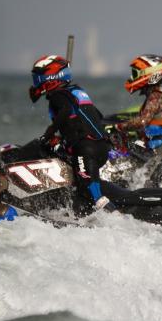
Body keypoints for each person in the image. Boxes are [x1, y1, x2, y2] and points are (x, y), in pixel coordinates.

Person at [29, 55, 115, 211]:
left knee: (93, 194)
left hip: (85, 150)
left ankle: (120, 222)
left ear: (50, 77)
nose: (36, 84)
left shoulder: (57, 96)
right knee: (83, 190)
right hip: (102, 147)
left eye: (38, 78)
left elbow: (65, 112)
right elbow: (98, 116)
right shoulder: (77, 92)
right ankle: (83, 217)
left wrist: (48, 134)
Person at [115, 54, 162, 186]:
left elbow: (143, 121)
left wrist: (119, 127)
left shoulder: (155, 97)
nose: (133, 77)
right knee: (137, 179)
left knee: (149, 185)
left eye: (136, 73)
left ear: (151, 75)